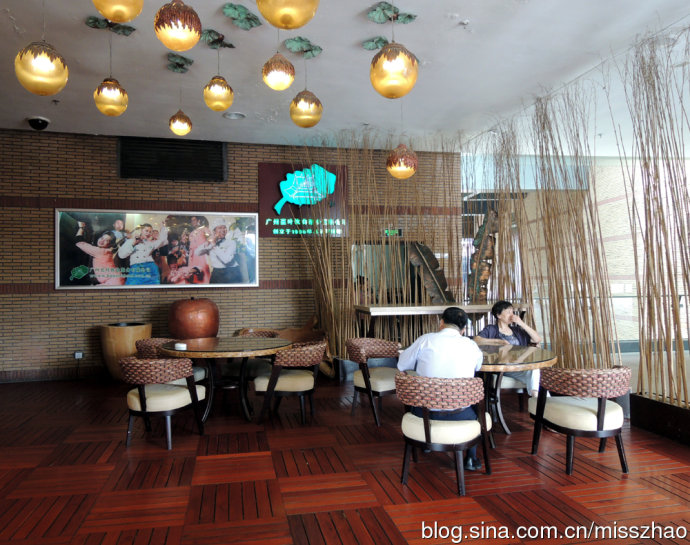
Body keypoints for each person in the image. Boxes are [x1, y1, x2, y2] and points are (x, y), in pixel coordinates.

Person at [397, 307, 485, 471]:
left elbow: (401, 365)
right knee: (475, 407)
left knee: (419, 395)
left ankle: (425, 443)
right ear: (463, 329)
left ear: (441, 322)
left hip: (424, 414)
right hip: (461, 415)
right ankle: (471, 459)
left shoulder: (425, 340)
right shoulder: (471, 345)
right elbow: (477, 367)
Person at [474, 300, 543, 397]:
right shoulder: (491, 329)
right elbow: (477, 340)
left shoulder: (517, 330)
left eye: (512, 312)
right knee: (534, 376)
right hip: (502, 367)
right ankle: (539, 399)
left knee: (535, 369)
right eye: (508, 312)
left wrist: (521, 323)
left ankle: (536, 396)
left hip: (519, 365)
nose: (512, 315)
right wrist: (498, 342)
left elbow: (537, 339)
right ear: (499, 315)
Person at [196, 218, 243, 284]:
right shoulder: (211, 243)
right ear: (214, 231)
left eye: (224, 228)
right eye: (220, 228)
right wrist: (209, 242)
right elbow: (197, 252)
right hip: (216, 273)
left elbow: (226, 260)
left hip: (232, 272)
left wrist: (214, 245)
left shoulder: (231, 243)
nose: (223, 230)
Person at [188, 216, 211, 283]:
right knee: (195, 274)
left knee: (204, 272)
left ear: (198, 221)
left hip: (202, 255)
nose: (193, 222)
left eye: (194, 220)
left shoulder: (204, 229)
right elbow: (191, 248)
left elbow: (210, 239)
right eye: (192, 221)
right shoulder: (191, 233)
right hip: (194, 256)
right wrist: (190, 260)